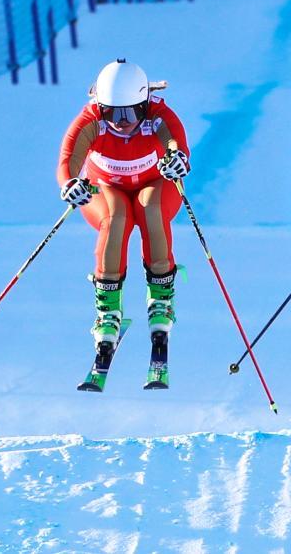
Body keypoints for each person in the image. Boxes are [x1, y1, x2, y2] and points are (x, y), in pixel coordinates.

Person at [57, 58, 191, 357]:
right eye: (112, 112)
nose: (121, 121)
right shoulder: (91, 120)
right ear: (100, 105)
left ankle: (161, 299)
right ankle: (107, 310)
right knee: (115, 216)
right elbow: (69, 158)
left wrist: (178, 158)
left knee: (151, 209)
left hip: (155, 182)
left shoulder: (158, 115)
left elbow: (175, 142)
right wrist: (70, 183)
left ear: (145, 103)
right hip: (106, 187)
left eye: (132, 111)